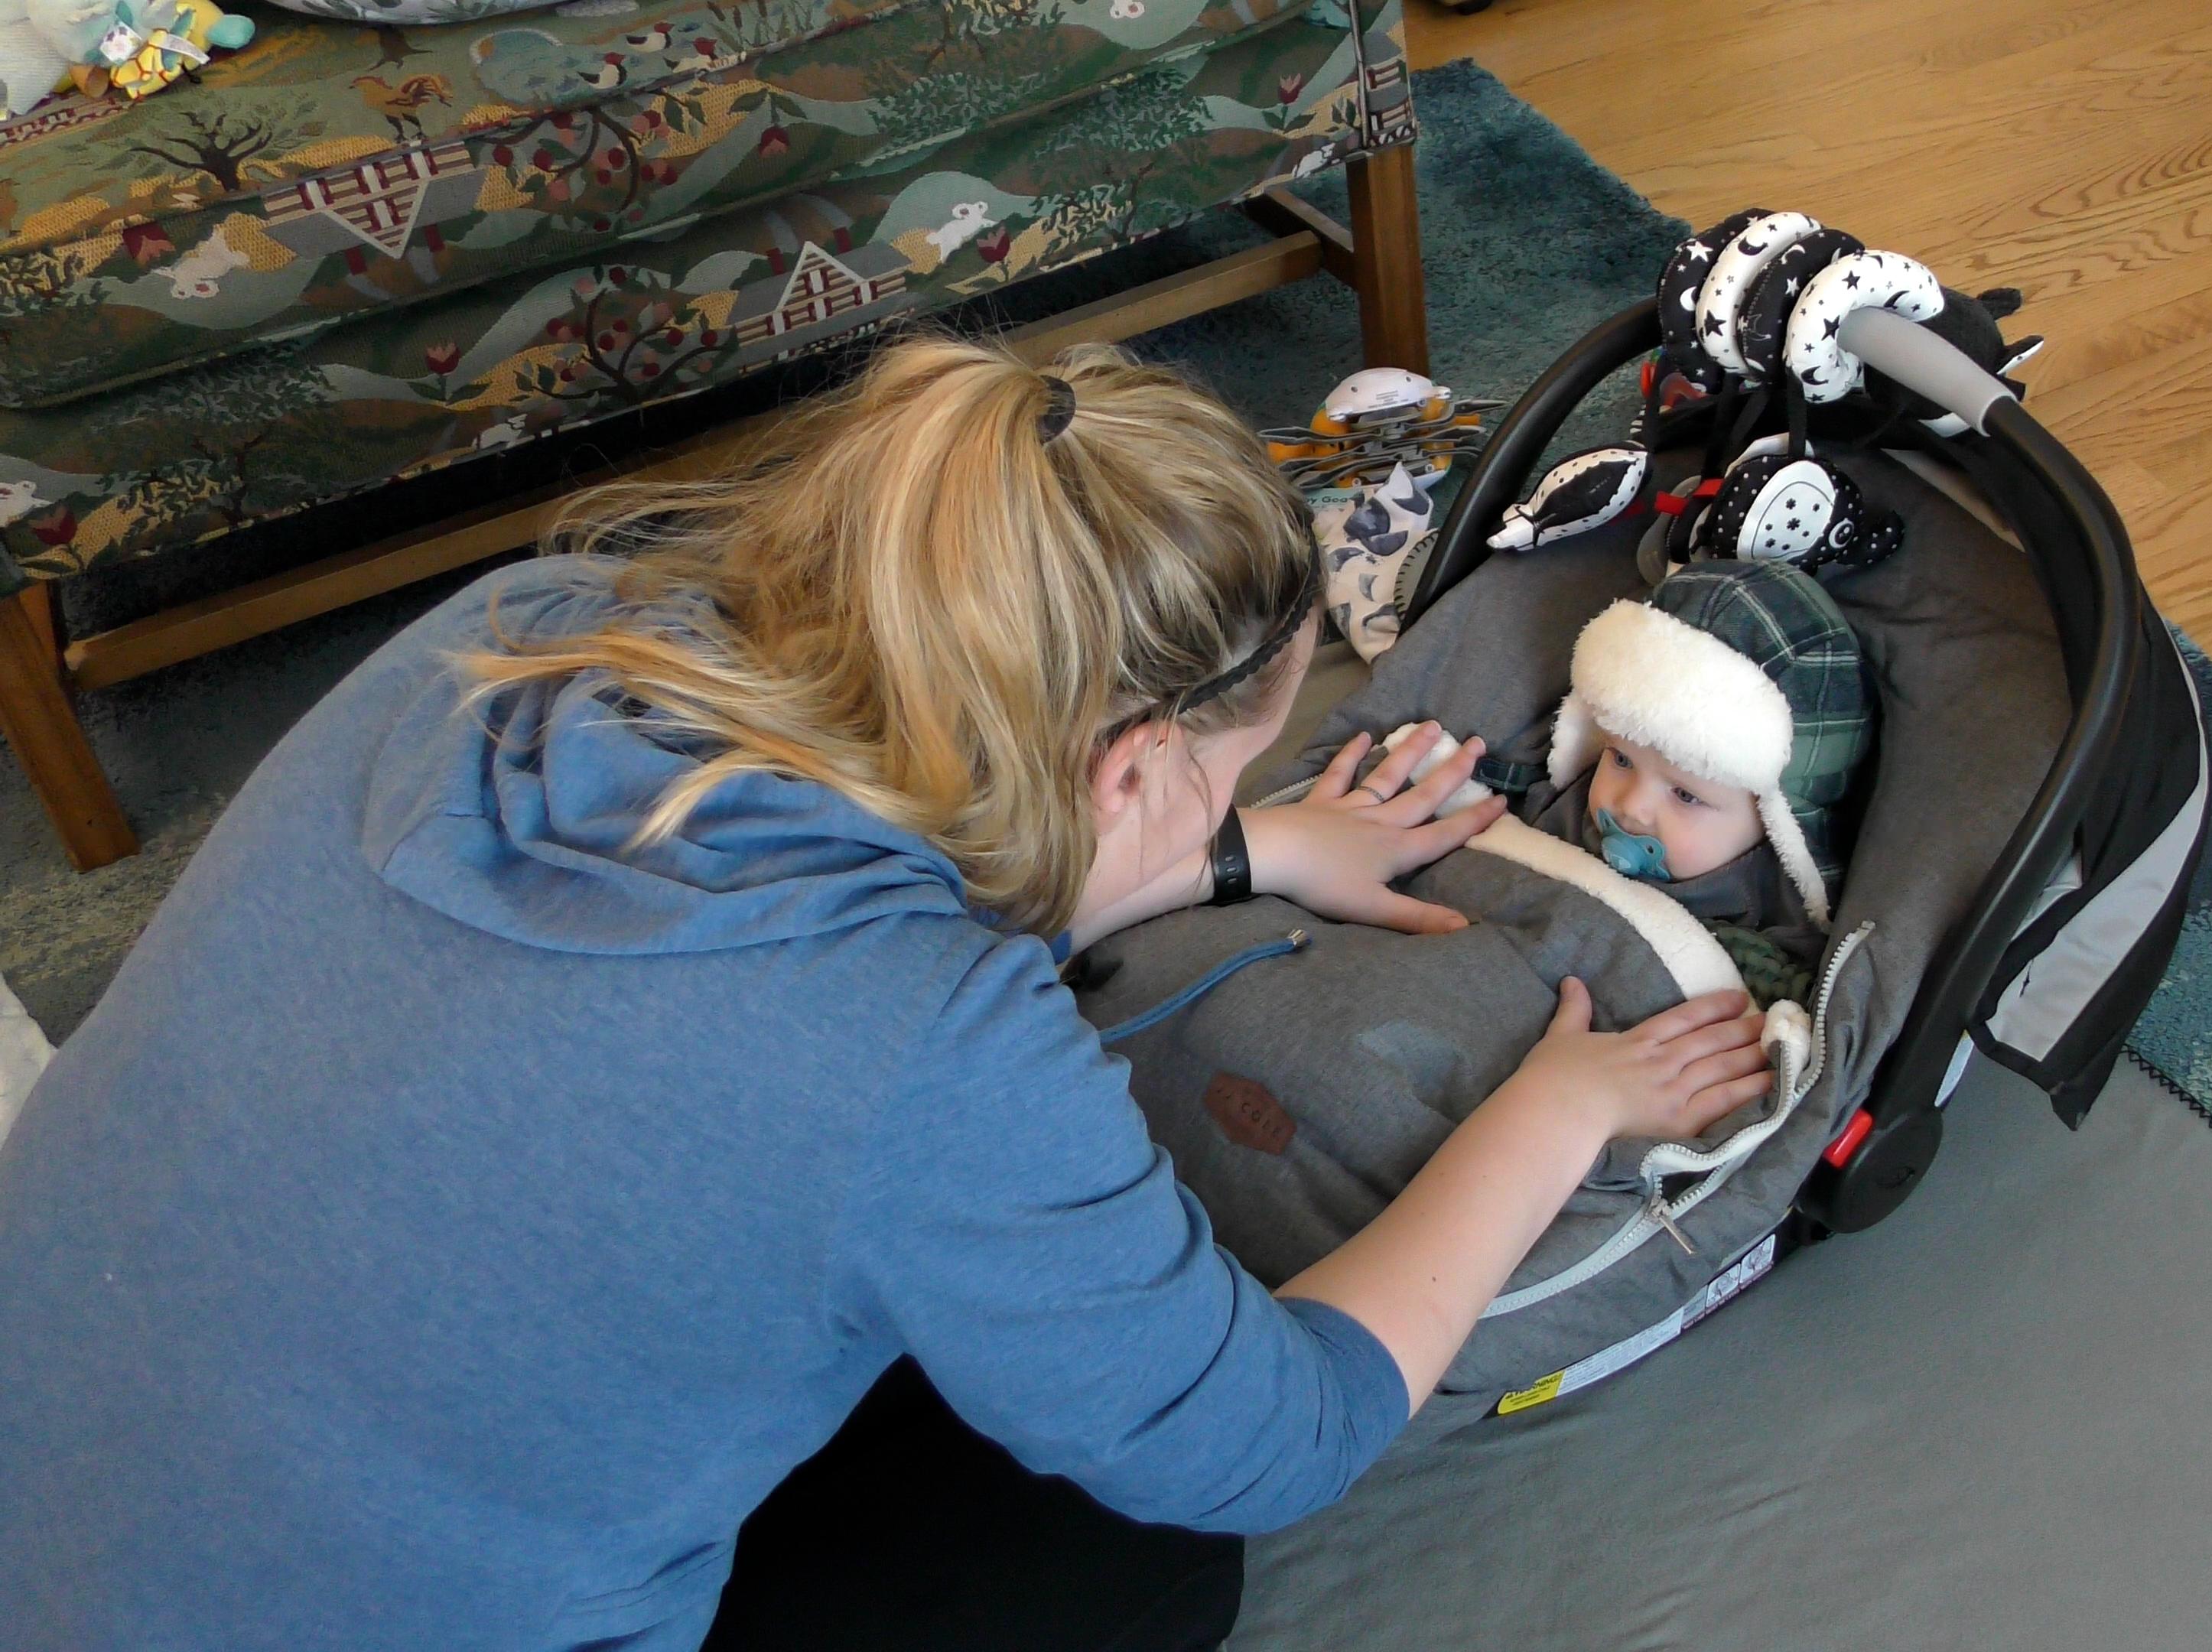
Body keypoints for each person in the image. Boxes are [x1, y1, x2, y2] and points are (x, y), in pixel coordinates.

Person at [0, 338, 1772, 1652]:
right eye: (1224, 778)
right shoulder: (932, 1047)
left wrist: (1237, 851)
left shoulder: (521, 625)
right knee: (1127, 1562)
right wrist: (1557, 1108)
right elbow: (1269, 1434)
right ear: (1133, 769)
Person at [1547, 557, 1873, 1009]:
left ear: (1774, 817)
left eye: (1685, 795)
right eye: (1621, 758)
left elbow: (1786, 1002)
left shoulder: (1771, 904)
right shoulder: (1566, 811)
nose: (1631, 807)